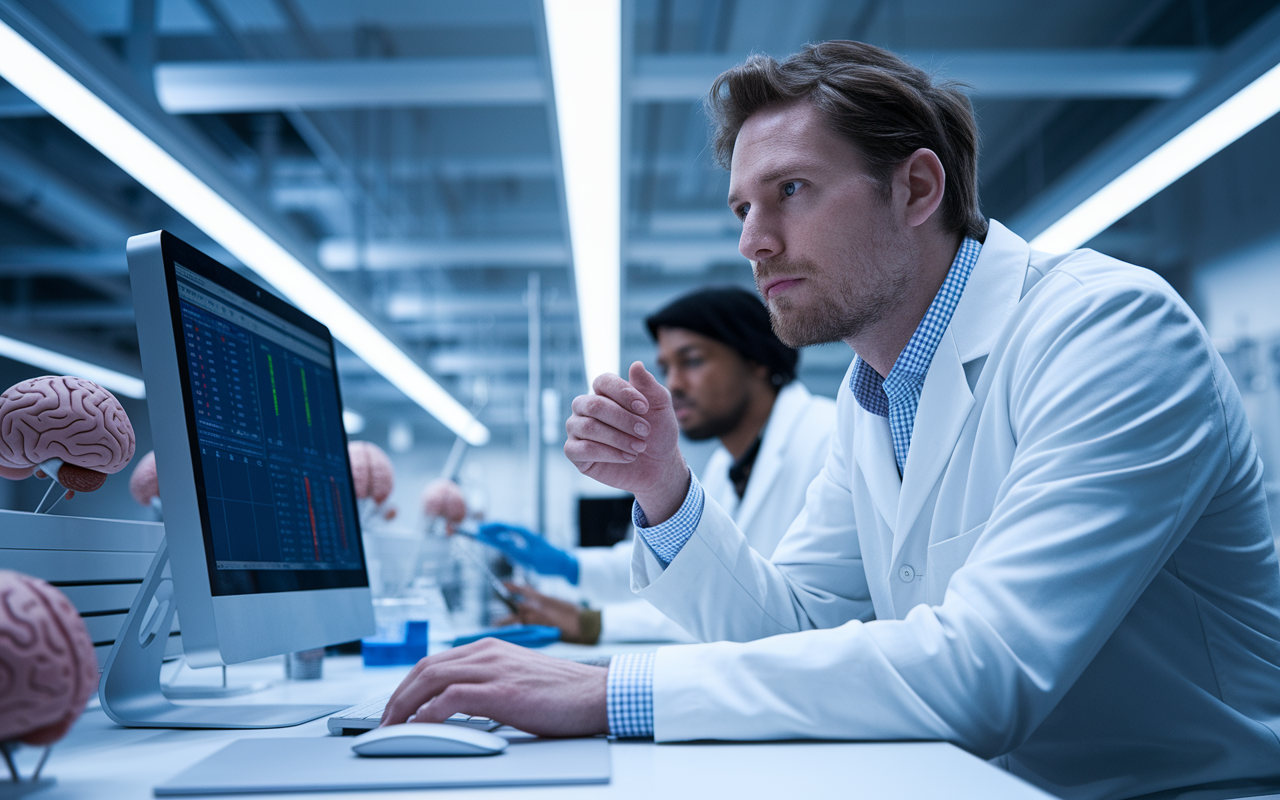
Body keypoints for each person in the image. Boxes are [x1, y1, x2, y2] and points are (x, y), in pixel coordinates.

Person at [383, 41, 1280, 800]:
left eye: (792, 191)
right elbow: (791, 631)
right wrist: (664, 490)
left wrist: (611, 690)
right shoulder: (875, 391)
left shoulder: (1107, 331)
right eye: (742, 207)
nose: (752, 241)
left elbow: (986, 673)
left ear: (916, 188)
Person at [490, 287, 835, 643]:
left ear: (757, 360)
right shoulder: (724, 466)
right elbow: (692, 571)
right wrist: (570, 566)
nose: (673, 385)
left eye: (693, 361)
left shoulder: (826, 438)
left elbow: (766, 612)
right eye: (666, 368)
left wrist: (591, 623)